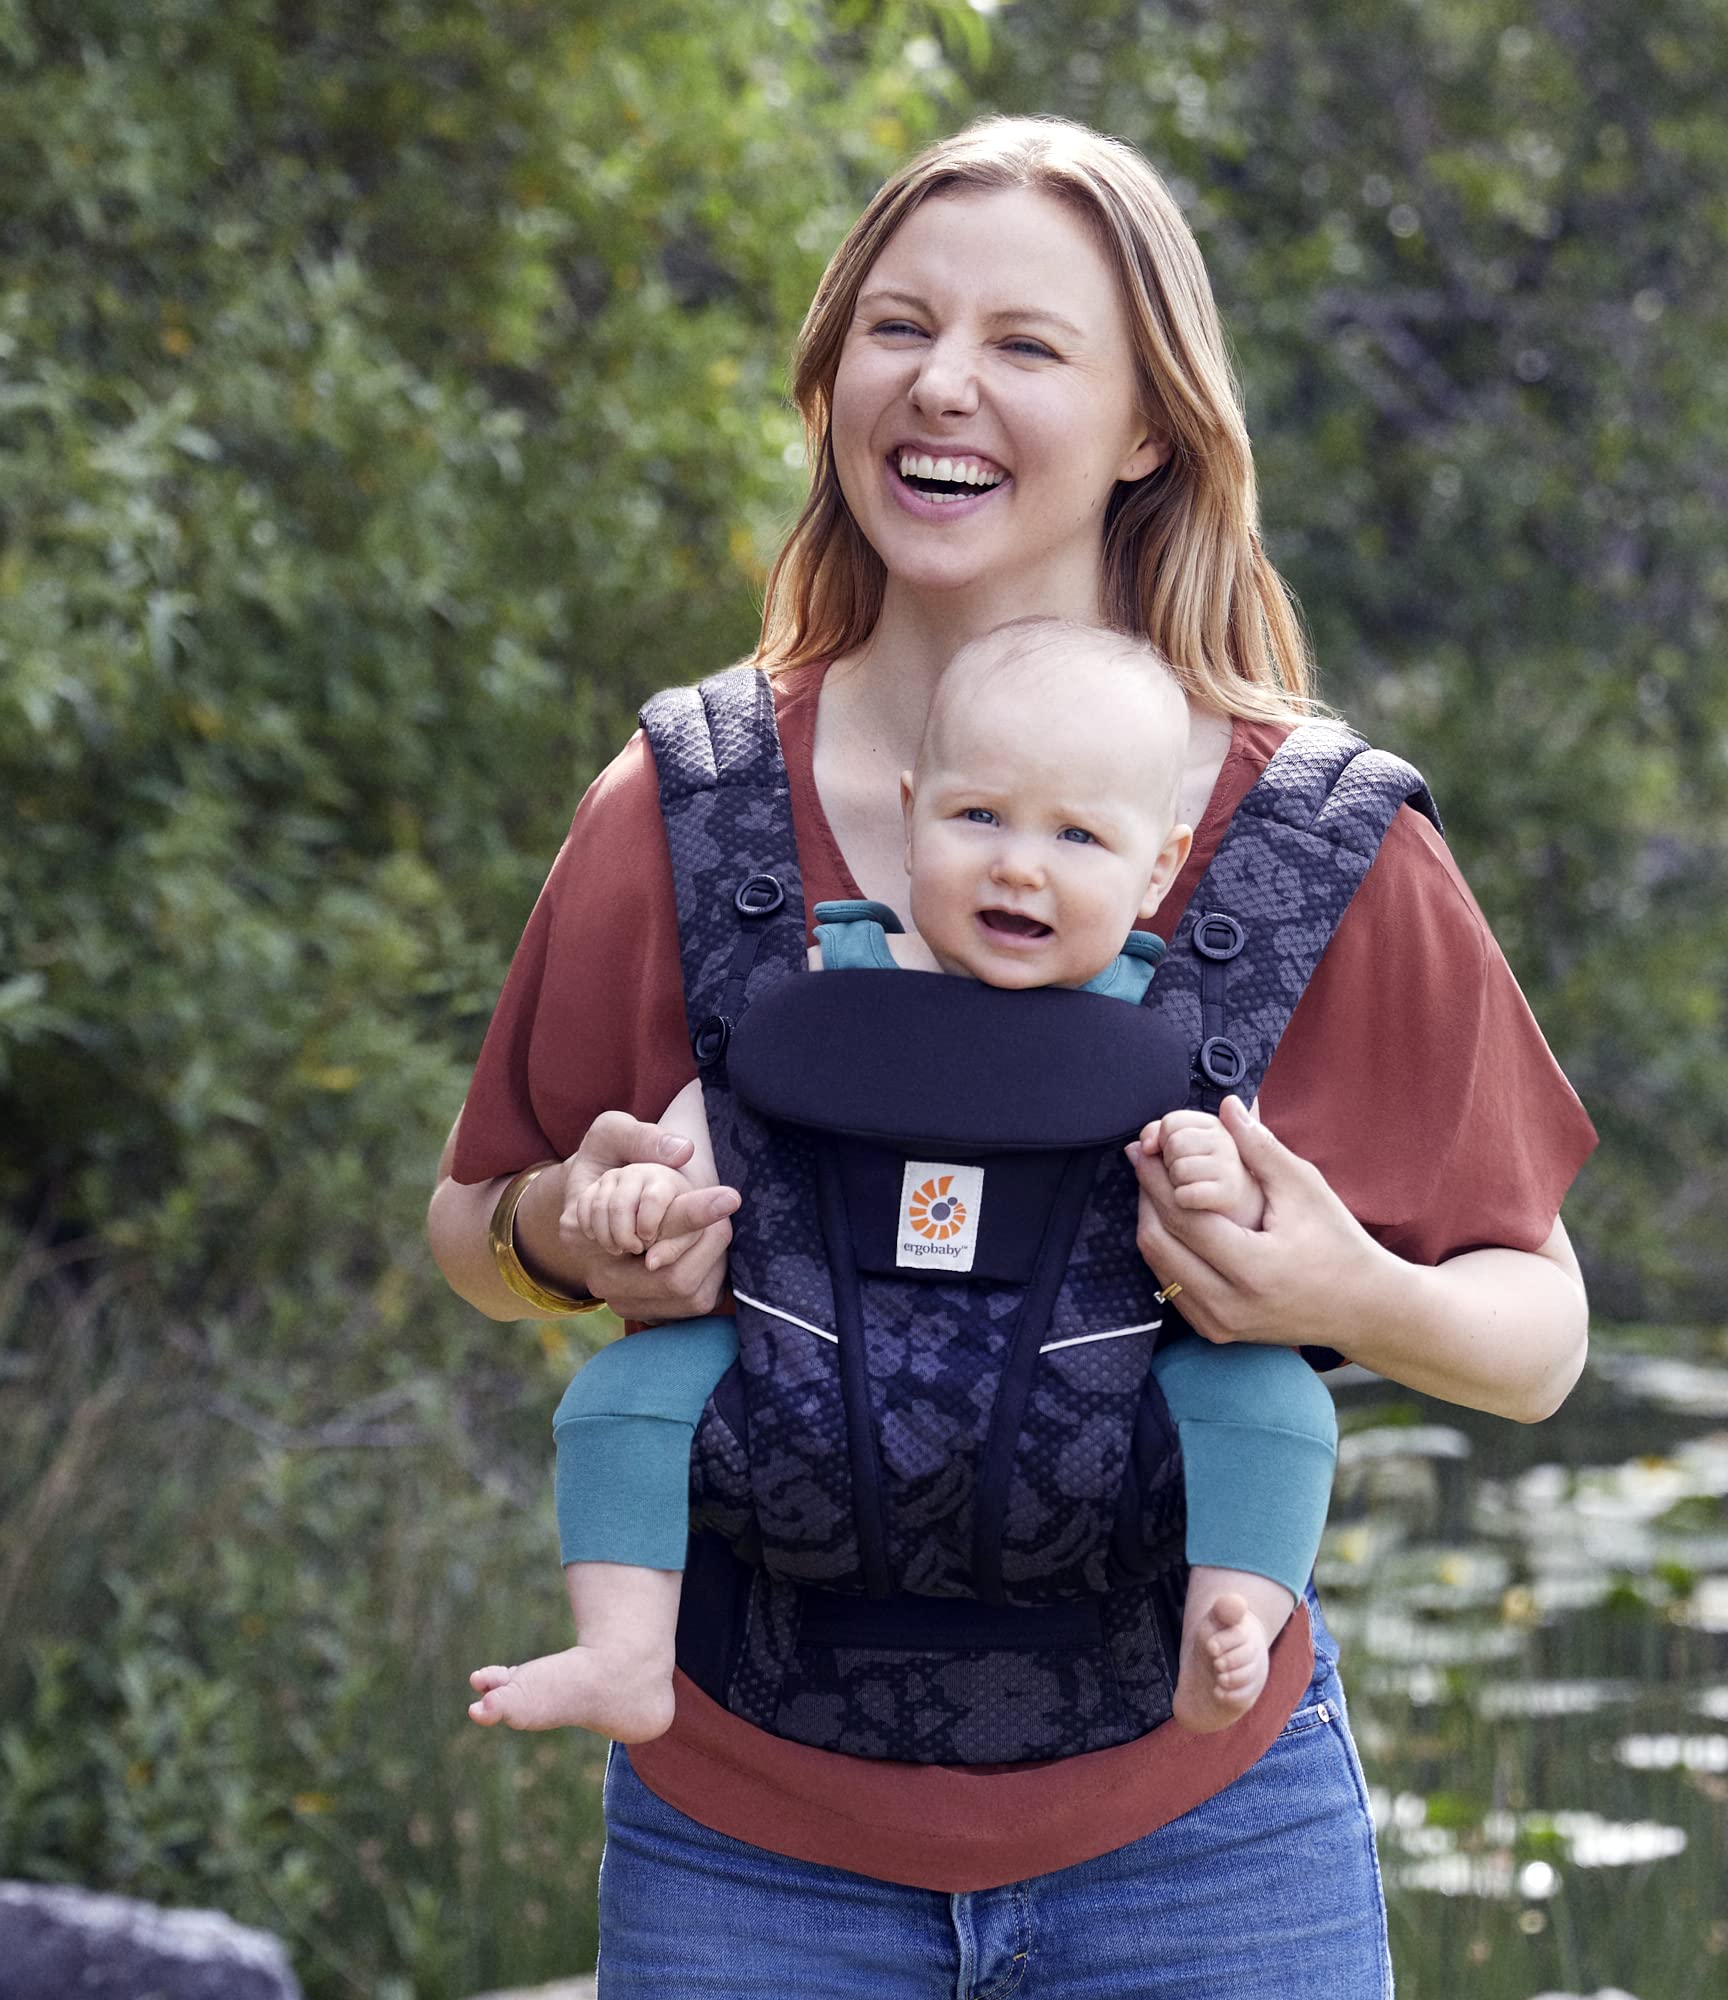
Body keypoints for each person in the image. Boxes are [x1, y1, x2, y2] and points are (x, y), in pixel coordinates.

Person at [428, 113, 1594, 1999]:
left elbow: (1540, 1341)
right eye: (896, 326)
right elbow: (468, 1229)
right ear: (831, 377)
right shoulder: (681, 805)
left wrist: (1343, 1290)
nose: (940, 384)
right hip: (746, 1852)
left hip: (1208, 1850)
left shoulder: (1321, 842)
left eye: (1027, 345)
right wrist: (578, 1228)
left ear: (1151, 425)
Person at [464, 617, 1341, 1747]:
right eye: (977, 816)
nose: (1018, 862)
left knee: (1273, 1401)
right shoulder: (825, 990)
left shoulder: (1168, 1048)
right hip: (798, 1382)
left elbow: (1259, 1226)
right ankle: (625, 1649)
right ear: (913, 813)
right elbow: (701, 1128)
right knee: (621, 1395)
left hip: (1096, 1420)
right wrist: (634, 1201)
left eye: (1077, 833)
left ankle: (1229, 1618)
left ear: (1158, 866)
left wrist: (1219, 1182)